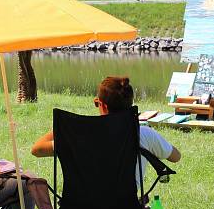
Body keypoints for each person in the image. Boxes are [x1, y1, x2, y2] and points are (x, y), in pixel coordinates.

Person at [31, 77, 181, 188]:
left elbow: (36, 149)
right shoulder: (144, 134)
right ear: (130, 106)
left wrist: (64, 127)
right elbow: (175, 156)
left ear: (102, 105)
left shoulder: (80, 135)